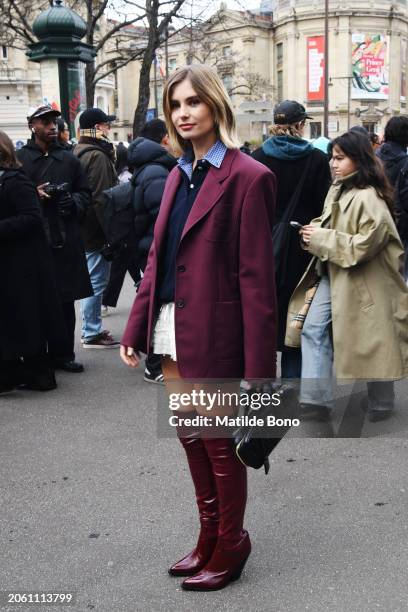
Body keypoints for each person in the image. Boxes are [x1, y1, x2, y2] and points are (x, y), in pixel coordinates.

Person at [120, 65, 277, 591]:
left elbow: (257, 282)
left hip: (218, 331)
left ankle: (232, 542)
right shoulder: (174, 175)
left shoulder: (249, 177)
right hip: (171, 328)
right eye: (176, 106)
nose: (184, 113)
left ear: (215, 106)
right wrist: (135, 328)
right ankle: (209, 536)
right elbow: (159, 259)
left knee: (218, 443)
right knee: (190, 437)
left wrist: (260, 372)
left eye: (193, 102)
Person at [285, 130, 408, 423]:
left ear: (359, 159)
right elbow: (333, 225)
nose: (332, 163)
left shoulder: (368, 197)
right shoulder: (341, 188)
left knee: (373, 337)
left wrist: (319, 237)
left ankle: (381, 399)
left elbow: (363, 245)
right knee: (314, 328)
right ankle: (316, 399)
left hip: (365, 279)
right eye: (332, 156)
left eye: (340, 157)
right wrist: (312, 232)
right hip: (335, 272)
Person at [252, 100, 331, 378]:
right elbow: (325, 208)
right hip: (304, 248)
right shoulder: (318, 159)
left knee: (265, 313)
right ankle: (293, 379)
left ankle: (262, 378)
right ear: (300, 125)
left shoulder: (258, 157)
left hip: (265, 248)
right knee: (298, 312)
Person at [18, 104, 92, 373]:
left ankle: (63, 354)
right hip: (33, 240)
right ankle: (37, 353)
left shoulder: (71, 160)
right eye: (45, 122)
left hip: (65, 238)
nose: (51, 126)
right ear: (32, 125)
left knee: (65, 299)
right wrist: (33, 195)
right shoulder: (20, 159)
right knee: (35, 299)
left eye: (54, 122)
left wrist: (70, 201)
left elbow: (86, 195)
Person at [103, 118, 177, 384]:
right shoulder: (157, 171)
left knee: (159, 302)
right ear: (165, 139)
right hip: (155, 247)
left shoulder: (148, 168)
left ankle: (158, 361)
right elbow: (163, 218)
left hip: (146, 246)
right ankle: (155, 364)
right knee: (161, 305)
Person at [0, 131, 70, 392]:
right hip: (9, 264)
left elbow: (30, 218)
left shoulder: (16, 182)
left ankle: (38, 375)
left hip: (22, 266)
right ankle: (11, 374)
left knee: (29, 321)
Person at [74, 107, 120, 348]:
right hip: (96, 231)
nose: (108, 129)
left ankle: (90, 329)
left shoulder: (80, 151)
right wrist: (111, 232)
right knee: (96, 281)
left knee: (92, 279)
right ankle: (91, 332)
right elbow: (102, 198)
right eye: (105, 125)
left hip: (84, 228)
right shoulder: (97, 156)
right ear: (96, 128)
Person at [377, 116, 408, 278]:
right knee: (400, 277)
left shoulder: (373, 157)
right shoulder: (405, 162)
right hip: (400, 227)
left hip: (373, 222)